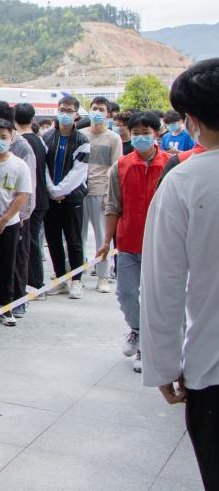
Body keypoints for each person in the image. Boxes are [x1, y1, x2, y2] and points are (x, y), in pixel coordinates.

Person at [140, 59, 219, 490]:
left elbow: (162, 286)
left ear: (191, 120)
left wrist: (163, 365)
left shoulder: (185, 182)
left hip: (213, 368)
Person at [98, 111, 165, 374]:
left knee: (154, 298)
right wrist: (106, 240)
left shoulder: (170, 164)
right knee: (126, 294)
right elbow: (113, 205)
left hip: (161, 246)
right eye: (136, 133)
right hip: (128, 242)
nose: (140, 138)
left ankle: (147, 347)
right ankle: (136, 329)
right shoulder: (121, 166)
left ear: (156, 134)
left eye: (145, 133)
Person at [0, 101, 37, 318]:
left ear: (12, 138)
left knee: (8, 265)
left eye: (4, 137)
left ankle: (7, 306)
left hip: (10, 223)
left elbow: (23, 194)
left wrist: (6, 219)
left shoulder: (19, 164)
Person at [42, 96, 92, 300]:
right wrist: (51, 190)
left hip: (73, 198)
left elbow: (79, 172)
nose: (65, 114)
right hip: (50, 198)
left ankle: (77, 280)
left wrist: (60, 190)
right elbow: (43, 167)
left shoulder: (82, 141)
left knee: (74, 240)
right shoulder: (47, 137)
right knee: (53, 240)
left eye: (69, 111)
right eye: (62, 110)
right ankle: (61, 279)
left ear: (76, 115)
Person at [80, 96, 123, 292]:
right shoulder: (80, 135)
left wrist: (109, 194)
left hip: (101, 191)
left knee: (102, 237)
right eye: (94, 108)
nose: (97, 112)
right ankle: (76, 276)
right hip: (80, 191)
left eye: (101, 109)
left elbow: (116, 169)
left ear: (108, 114)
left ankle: (103, 276)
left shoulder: (113, 138)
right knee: (78, 237)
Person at [15, 103, 49, 296]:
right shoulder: (39, 140)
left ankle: (35, 283)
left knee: (30, 243)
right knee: (33, 241)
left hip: (31, 201)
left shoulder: (22, 144)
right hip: (41, 197)